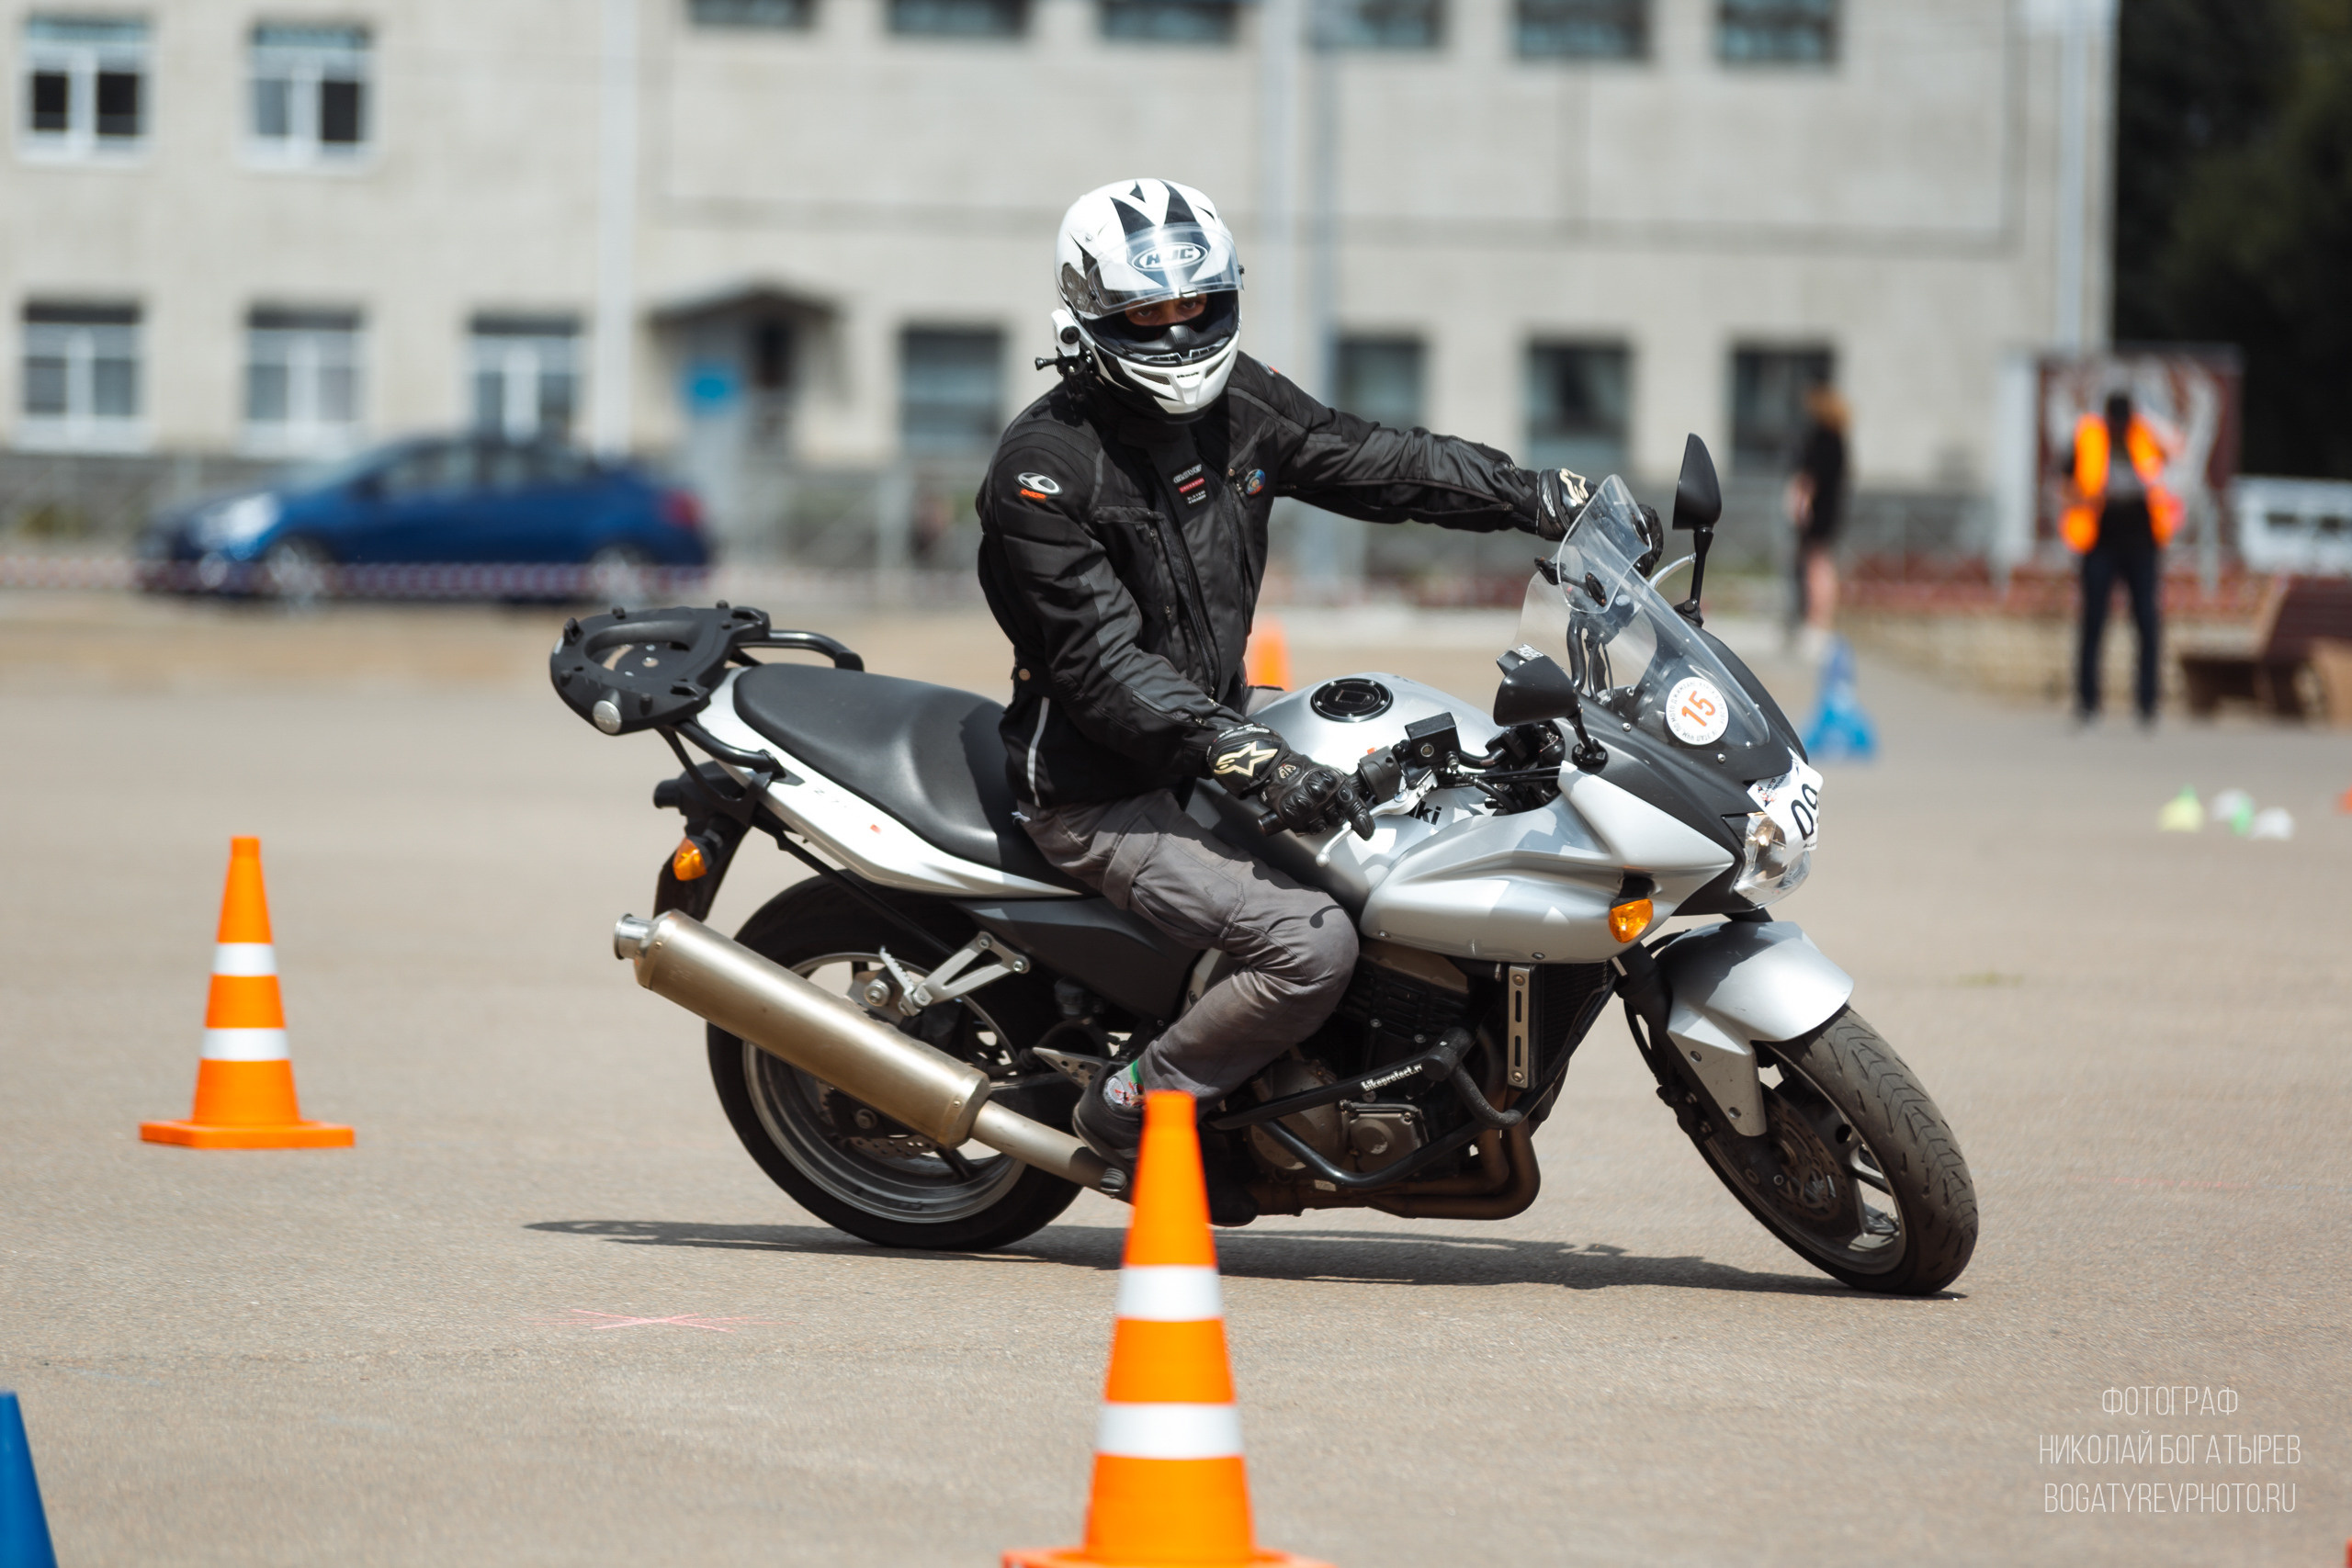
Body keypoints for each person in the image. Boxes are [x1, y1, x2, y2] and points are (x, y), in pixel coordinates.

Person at [975, 178, 1590, 1213]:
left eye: (1194, 307)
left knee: (1431, 809)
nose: (1175, 333)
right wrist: (1244, 755)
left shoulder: (1242, 404)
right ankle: (1129, 1105)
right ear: (1087, 315)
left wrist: (1528, 496)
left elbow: (1373, 458)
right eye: (1144, 314)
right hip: (1098, 783)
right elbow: (1101, 667)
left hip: (1211, 726)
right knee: (1311, 948)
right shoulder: (1043, 474)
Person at [2061, 390, 2181, 727]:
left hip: (2142, 543)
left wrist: (2153, 423)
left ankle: (2147, 704)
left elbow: (2177, 451)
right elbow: (2065, 482)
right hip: (2100, 541)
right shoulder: (2089, 437)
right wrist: (2087, 497)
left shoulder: (2146, 436)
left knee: (2147, 622)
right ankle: (2087, 703)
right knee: (2093, 622)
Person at [1784, 381, 1848, 660]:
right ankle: (1820, 624)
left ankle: (1817, 624)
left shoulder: (1823, 439)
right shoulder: (1839, 439)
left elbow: (1809, 478)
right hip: (1830, 510)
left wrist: (1799, 506)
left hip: (1818, 513)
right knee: (1821, 565)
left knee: (1815, 568)